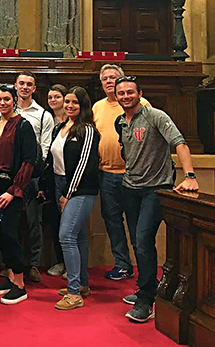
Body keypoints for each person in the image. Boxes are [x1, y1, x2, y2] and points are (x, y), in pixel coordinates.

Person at [114, 76, 199, 323]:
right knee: (137, 242)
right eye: (121, 93)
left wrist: (190, 175)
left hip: (156, 189)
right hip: (129, 188)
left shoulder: (156, 116)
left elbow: (179, 143)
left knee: (143, 240)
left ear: (139, 93)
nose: (126, 96)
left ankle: (147, 300)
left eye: (130, 92)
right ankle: (145, 287)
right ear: (116, 96)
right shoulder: (120, 122)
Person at [40, 87, 100, 310]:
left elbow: (84, 165)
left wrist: (68, 194)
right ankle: (82, 284)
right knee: (79, 236)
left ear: (83, 105)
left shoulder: (88, 130)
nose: (69, 106)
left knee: (66, 236)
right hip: (59, 184)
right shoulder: (60, 128)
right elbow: (52, 160)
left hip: (80, 189)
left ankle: (74, 293)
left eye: (75, 102)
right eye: (67, 102)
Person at [93, 64, 150, 283]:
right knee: (113, 221)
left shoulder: (140, 104)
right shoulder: (97, 107)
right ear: (101, 83)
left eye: (113, 77)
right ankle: (122, 264)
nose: (109, 81)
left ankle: (143, 268)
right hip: (106, 174)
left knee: (136, 224)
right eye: (105, 78)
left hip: (134, 175)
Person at [0, 84, 37, 305]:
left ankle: (20, 285)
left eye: (6, 99)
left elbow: (28, 160)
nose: (2, 103)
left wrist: (13, 192)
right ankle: (11, 278)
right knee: (0, 233)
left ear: (14, 100)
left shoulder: (24, 126)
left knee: (11, 233)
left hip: (11, 190)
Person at [9, 71, 54, 283]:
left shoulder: (43, 115)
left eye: (29, 84)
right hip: (10, 175)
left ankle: (33, 264)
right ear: (15, 86)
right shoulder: (7, 109)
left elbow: (45, 148)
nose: (25, 87)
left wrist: (32, 170)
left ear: (34, 89)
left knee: (34, 222)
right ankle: (11, 263)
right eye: (21, 83)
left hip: (33, 176)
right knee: (11, 221)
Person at [41, 83, 68, 278]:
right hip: (53, 176)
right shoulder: (48, 120)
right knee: (55, 221)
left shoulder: (75, 121)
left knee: (70, 223)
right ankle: (61, 261)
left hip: (71, 177)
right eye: (50, 97)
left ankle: (73, 264)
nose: (53, 100)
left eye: (57, 97)